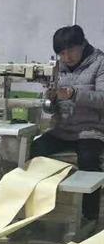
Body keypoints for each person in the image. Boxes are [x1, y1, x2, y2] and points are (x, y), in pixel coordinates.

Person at [31, 25, 104, 222]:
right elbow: (51, 107)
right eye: (61, 53)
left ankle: (89, 216)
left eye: (70, 51)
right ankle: (36, 211)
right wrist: (50, 101)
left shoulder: (100, 63)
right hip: (62, 130)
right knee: (33, 150)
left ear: (82, 45)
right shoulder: (58, 68)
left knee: (89, 160)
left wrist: (74, 94)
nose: (66, 57)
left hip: (91, 130)